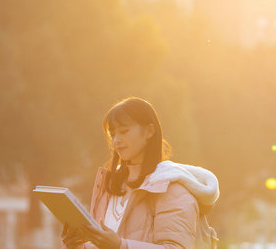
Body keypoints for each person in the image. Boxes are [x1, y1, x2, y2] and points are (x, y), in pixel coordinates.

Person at [61, 96, 220, 249]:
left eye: (124, 131)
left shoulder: (172, 189)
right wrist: (76, 246)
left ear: (149, 131)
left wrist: (119, 246)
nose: (116, 140)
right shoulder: (112, 185)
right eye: (113, 133)